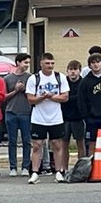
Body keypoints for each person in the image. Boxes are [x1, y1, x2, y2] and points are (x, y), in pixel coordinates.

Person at [26, 53, 69, 184]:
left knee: (57, 144)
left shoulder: (60, 77)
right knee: (37, 145)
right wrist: (42, 97)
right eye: (47, 63)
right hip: (38, 118)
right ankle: (34, 172)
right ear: (41, 63)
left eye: (52, 63)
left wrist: (51, 97)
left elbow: (65, 97)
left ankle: (59, 171)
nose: (50, 66)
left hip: (56, 117)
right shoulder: (34, 79)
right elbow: (30, 99)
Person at [3, 52, 33, 175]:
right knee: (12, 141)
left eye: (28, 63)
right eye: (25, 62)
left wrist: (24, 89)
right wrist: (15, 90)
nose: (27, 65)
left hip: (26, 112)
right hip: (11, 112)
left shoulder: (31, 77)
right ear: (18, 63)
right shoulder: (7, 78)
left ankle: (26, 166)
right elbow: (4, 97)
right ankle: (13, 167)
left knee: (27, 140)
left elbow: (32, 95)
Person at [60, 61, 86, 175]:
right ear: (67, 71)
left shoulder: (83, 83)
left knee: (80, 142)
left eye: (75, 69)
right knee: (64, 143)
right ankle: (63, 168)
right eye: (70, 69)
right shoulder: (63, 82)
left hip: (78, 117)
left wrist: (68, 98)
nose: (73, 72)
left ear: (79, 71)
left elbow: (82, 97)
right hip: (64, 117)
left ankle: (81, 167)